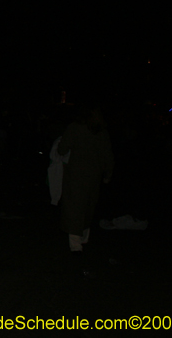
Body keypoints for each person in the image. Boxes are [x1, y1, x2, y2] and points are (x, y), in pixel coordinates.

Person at [57, 103, 114, 254]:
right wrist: (107, 174)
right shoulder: (101, 132)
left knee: (75, 206)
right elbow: (107, 155)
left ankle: (75, 243)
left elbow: (62, 148)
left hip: (76, 174)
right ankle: (84, 237)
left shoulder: (75, 128)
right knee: (89, 204)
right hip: (94, 174)